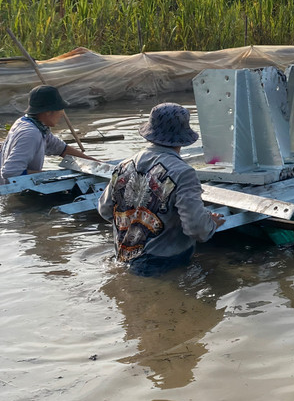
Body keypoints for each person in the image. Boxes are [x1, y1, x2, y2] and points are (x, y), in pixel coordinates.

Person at [98, 102, 224, 275]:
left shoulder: (123, 165)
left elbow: (105, 210)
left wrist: (135, 219)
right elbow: (197, 229)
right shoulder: (183, 173)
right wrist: (210, 222)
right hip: (163, 263)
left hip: (122, 256)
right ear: (183, 138)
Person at [0, 84, 97, 184]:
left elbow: (61, 149)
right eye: (60, 109)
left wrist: (98, 165)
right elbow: (10, 172)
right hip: (11, 190)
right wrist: (52, 176)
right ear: (48, 112)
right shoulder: (31, 134)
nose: (62, 114)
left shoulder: (30, 123)